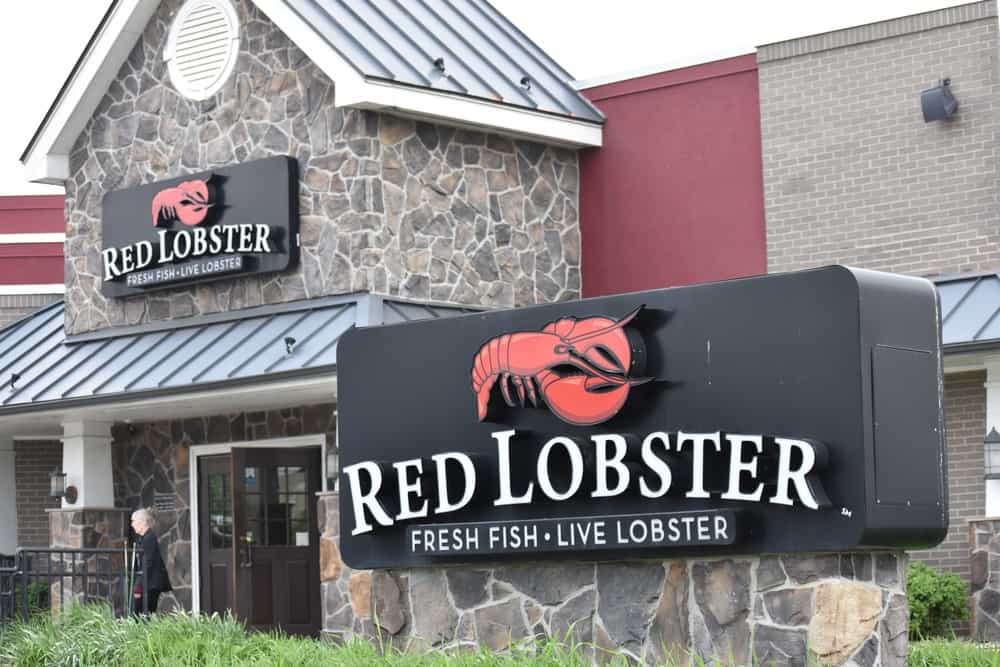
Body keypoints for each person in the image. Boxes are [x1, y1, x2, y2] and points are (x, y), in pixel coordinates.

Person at [130, 508, 172, 614]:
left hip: (150, 584)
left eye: (133, 521)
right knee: (140, 615)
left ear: (142, 522)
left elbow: (147, 563)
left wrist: (138, 586)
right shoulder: (143, 538)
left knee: (142, 615)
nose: (132, 524)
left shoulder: (149, 538)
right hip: (147, 583)